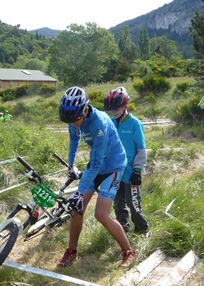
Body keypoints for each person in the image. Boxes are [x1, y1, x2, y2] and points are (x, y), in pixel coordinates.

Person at [58, 86, 138, 269]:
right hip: (98, 164)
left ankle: (128, 251)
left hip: (113, 166)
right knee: (77, 209)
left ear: (85, 110)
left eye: (77, 120)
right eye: (70, 121)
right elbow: (74, 139)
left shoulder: (99, 123)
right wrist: (71, 164)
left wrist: (79, 193)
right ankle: (71, 251)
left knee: (101, 214)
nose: (74, 124)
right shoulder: (74, 116)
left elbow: (95, 163)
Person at [104, 87, 149, 234]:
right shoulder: (111, 122)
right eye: (111, 109)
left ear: (125, 106)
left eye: (116, 108)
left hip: (130, 172)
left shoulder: (135, 124)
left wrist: (137, 171)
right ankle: (123, 229)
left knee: (133, 203)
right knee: (118, 204)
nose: (114, 112)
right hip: (115, 172)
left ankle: (142, 229)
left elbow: (141, 149)